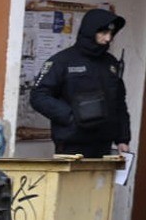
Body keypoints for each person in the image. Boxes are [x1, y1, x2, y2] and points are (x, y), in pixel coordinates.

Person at [29, 8, 131, 157]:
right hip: (72, 145)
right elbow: (39, 96)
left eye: (111, 34)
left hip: (104, 146)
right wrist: (71, 116)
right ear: (90, 31)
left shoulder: (111, 63)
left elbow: (119, 103)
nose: (108, 38)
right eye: (103, 33)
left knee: (102, 182)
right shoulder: (62, 61)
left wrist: (123, 139)